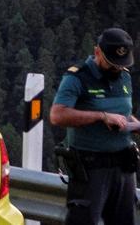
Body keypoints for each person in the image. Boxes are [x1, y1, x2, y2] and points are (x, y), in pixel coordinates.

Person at [50, 28, 139, 225]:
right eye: (112, 63)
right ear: (97, 52)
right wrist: (101, 117)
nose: (117, 68)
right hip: (91, 167)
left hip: (124, 166)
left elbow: (122, 112)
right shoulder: (77, 77)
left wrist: (134, 124)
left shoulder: (124, 77)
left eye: (121, 64)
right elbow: (57, 115)